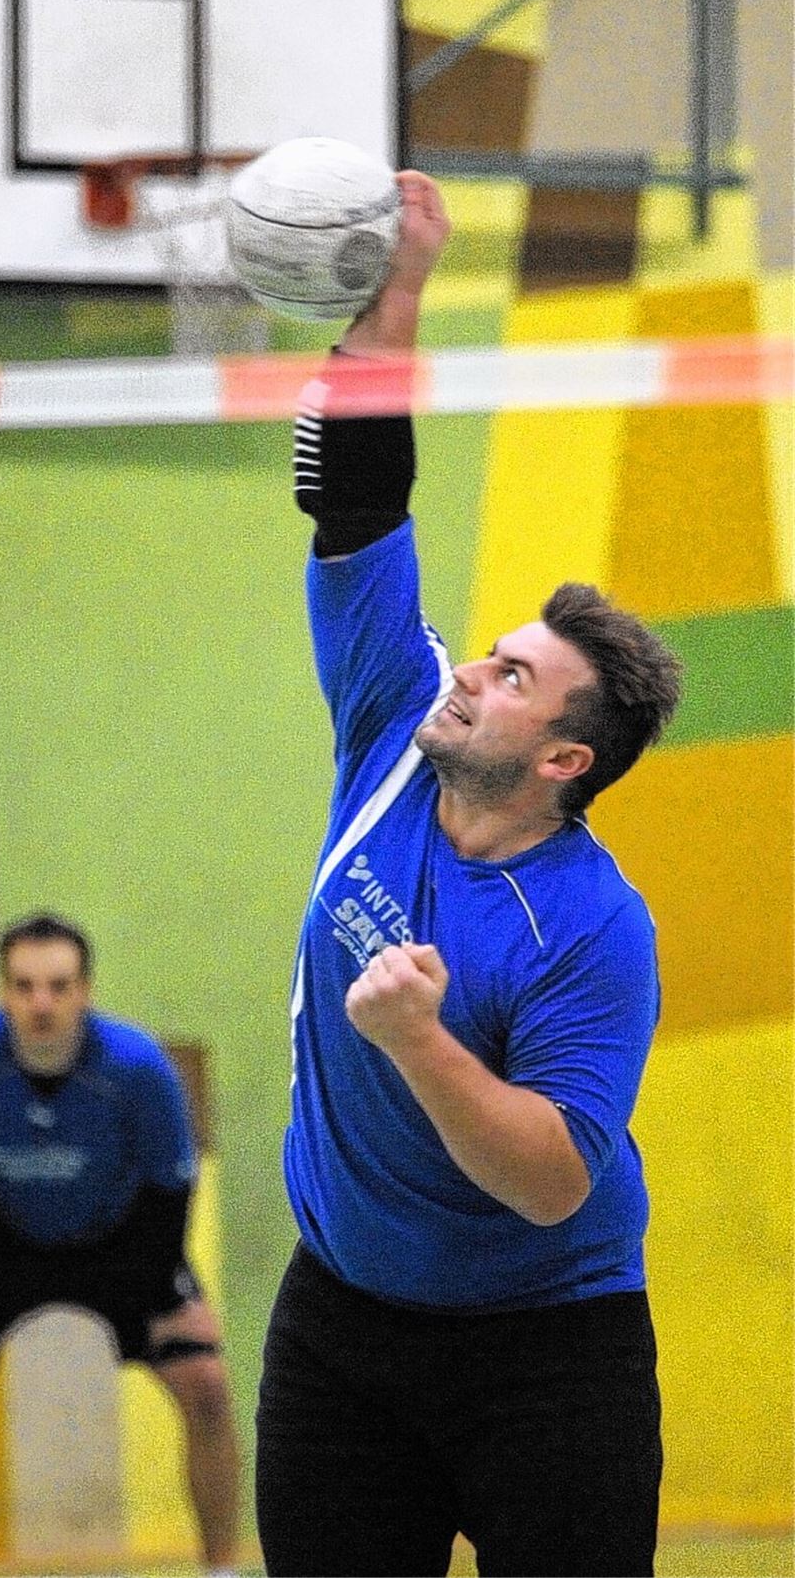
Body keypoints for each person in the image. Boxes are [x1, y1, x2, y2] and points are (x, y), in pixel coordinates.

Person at [254, 172, 683, 1578]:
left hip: (547, 1359)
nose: (472, 675)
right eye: (486, 651)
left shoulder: (596, 929)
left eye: (511, 679)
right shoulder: (395, 717)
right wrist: (400, 290)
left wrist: (419, 1040)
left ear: (564, 760)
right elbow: (353, 493)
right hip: (342, 1332)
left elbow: (557, 1180)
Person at [0, 911, 240, 1578]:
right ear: (4, 990)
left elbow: (170, 1187)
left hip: (123, 1236)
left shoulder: (137, 1067)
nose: (41, 1003)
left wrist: (159, 1292)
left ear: (85, 990)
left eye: (59, 985)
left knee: (207, 1382)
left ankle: (221, 1568)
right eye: (24, 985)